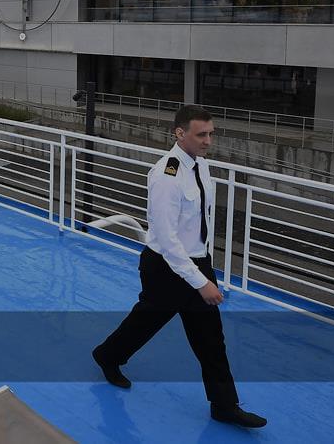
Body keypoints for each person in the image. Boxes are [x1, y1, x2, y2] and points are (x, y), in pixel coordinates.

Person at [92, 105, 266, 429]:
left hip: (195, 261)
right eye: (201, 135)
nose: (208, 141)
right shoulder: (166, 176)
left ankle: (224, 406)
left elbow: (199, 221)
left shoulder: (201, 165)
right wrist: (201, 282)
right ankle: (107, 355)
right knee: (146, 322)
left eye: (211, 134)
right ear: (180, 133)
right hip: (165, 268)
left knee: (211, 339)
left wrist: (204, 266)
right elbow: (168, 239)